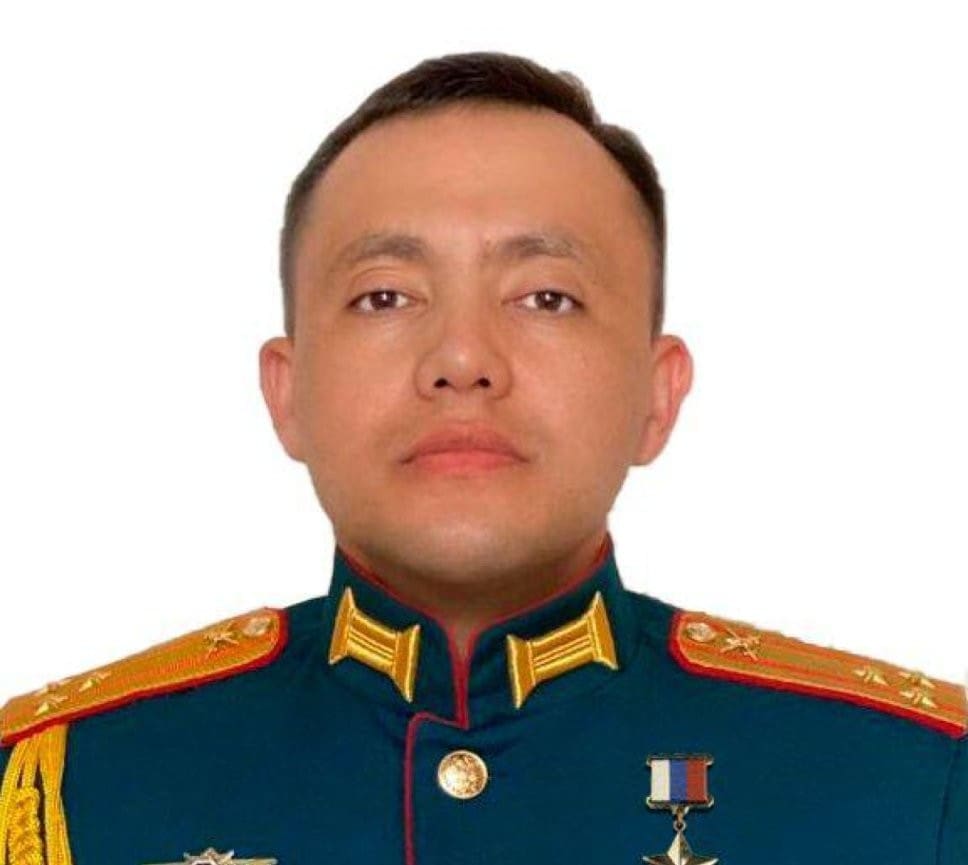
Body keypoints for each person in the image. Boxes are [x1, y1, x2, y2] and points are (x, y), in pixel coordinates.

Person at [1, 50, 964, 865]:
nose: (462, 359)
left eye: (546, 297)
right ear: (287, 394)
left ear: (657, 395)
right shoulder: (73, 787)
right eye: (385, 296)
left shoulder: (909, 789)